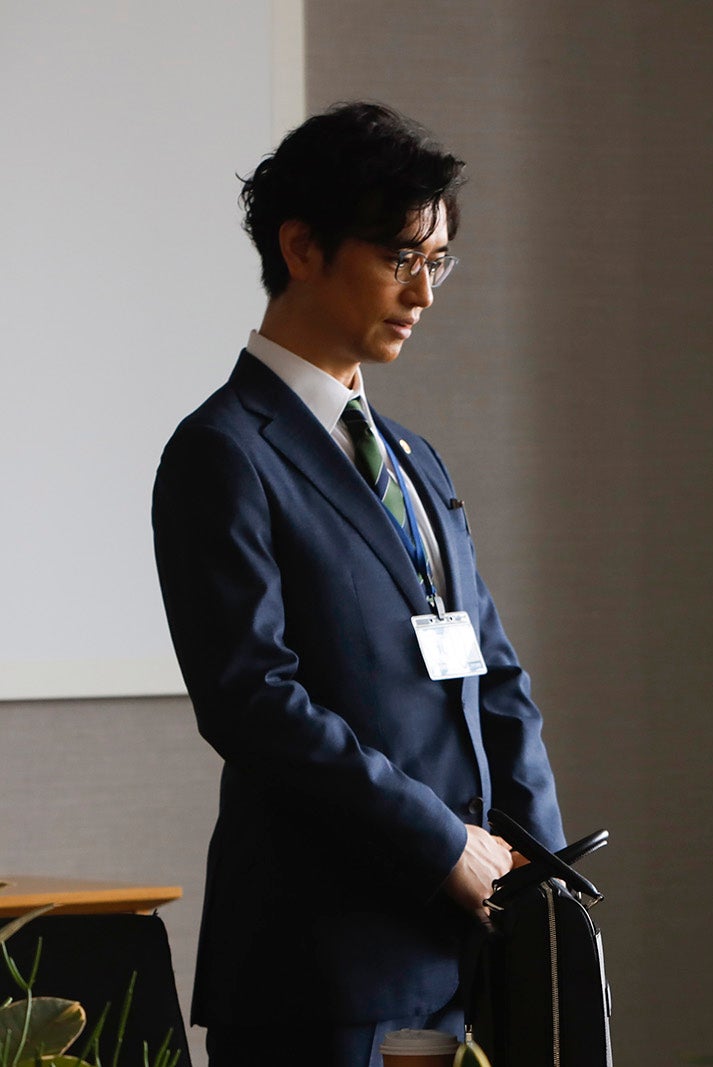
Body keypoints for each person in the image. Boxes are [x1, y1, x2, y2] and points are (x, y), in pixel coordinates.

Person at [152, 101, 564, 1067]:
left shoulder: (414, 457)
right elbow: (252, 700)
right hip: (324, 971)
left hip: (471, 948)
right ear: (302, 247)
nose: (424, 292)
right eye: (399, 257)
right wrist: (442, 844)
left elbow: (493, 674)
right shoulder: (222, 452)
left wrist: (538, 880)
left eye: (438, 262)